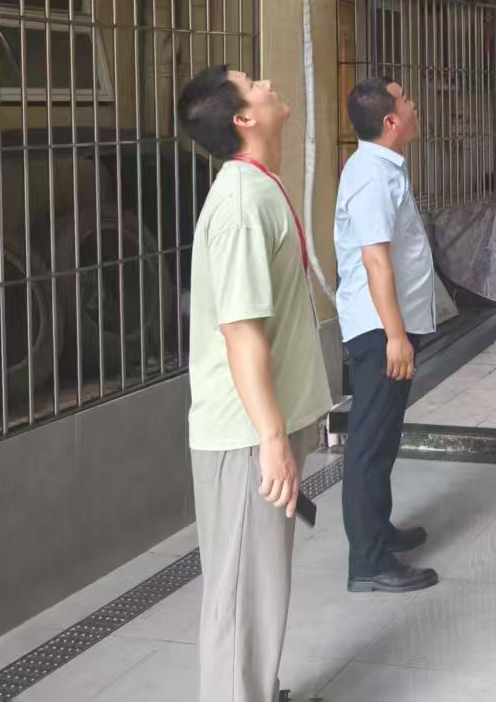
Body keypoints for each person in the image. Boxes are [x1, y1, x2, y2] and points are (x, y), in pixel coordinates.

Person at [177, 65, 333, 702]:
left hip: (261, 426)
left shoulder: (258, 185)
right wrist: (271, 439)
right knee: (242, 598)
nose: (268, 84)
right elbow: (241, 332)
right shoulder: (241, 205)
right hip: (246, 434)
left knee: (259, 588)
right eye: (254, 83)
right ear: (243, 118)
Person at [334, 78, 440, 594]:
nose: (414, 104)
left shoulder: (383, 167)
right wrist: (395, 336)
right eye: (406, 100)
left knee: (384, 436)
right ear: (392, 121)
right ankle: (368, 562)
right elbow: (375, 260)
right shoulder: (371, 176)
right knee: (370, 443)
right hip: (379, 329)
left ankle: (379, 530)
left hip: (390, 325)